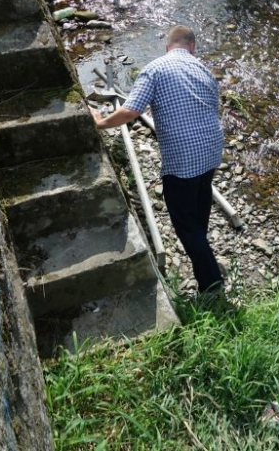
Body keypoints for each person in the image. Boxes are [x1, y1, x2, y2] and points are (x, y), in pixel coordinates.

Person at [91, 25, 225, 297]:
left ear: (167, 46)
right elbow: (212, 108)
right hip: (212, 150)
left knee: (184, 224)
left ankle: (212, 286)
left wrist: (102, 122)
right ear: (192, 47)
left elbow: (130, 110)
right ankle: (204, 255)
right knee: (199, 212)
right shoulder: (205, 71)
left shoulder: (155, 68)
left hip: (183, 158)